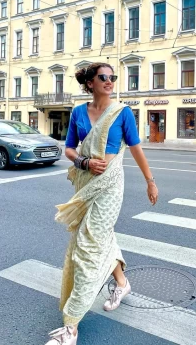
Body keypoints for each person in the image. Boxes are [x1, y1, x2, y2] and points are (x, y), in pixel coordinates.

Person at [45, 62, 159, 345]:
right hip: (85, 183)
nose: (110, 81)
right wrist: (83, 161)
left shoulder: (122, 113)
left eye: (113, 77)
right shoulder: (78, 112)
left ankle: (71, 324)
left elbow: (135, 148)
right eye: (103, 77)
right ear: (90, 83)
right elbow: (69, 149)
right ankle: (122, 283)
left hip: (110, 187)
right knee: (101, 238)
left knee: (87, 244)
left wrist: (150, 181)